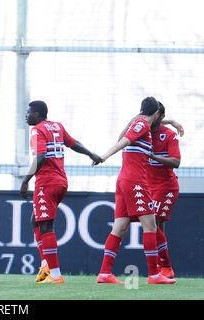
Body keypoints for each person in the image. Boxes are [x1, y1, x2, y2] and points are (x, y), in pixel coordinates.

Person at [94, 97, 176, 284]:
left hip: (123, 181)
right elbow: (122, 141)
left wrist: (169, 121)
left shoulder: (137, 123)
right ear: (156, 114)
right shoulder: (143, 126)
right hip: (135, 182)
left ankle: (105, 273)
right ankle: (154, 275)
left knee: (120, 227)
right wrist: (103, 156)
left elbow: (123, 136)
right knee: (150, 226)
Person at [19, 100, 101, 284]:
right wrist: (90, 154)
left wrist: (25, 181)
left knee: (46, 226)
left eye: (29, 112)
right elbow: (73, 143)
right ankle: (46, 265)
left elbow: (40, 157)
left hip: (46, 183)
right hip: (61, 182)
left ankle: (54, 275)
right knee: (36, 220)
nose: (26, 115)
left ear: (38, 115)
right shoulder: (57, 126)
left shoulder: (37, 130)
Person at [147, 102, 181, 279]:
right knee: (156, 225)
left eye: (151, 115)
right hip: (148, 186)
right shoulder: (143, 132)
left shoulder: (169, 136)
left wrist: (153, 156)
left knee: (153, 221)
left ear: (159, 115)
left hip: (166, 186)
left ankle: (165, 267)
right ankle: (162, 267)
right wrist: (170, 120)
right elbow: (125, 133)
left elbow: (176, 162)